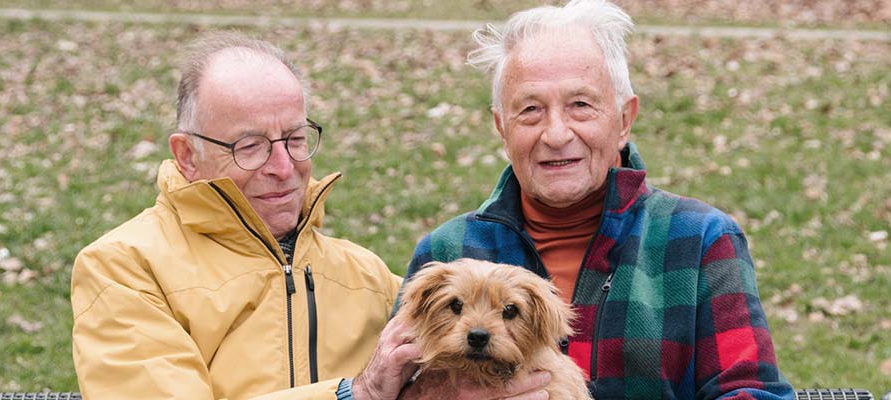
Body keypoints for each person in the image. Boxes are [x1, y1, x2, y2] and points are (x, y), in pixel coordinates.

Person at [402, 1, 795, 399]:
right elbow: (397, 379)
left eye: (581, 105)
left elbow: (751, 392)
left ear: (624, 119)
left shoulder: (700, 240)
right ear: (503, 127)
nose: (556, 134)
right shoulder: (446, 250)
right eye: (531, 109)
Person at [70, 32, 404, 399]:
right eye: (250, 146)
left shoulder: (368, 276)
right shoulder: (124, 268)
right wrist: (352, 395)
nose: (283, 166)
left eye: (295, 139)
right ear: (187, 155)